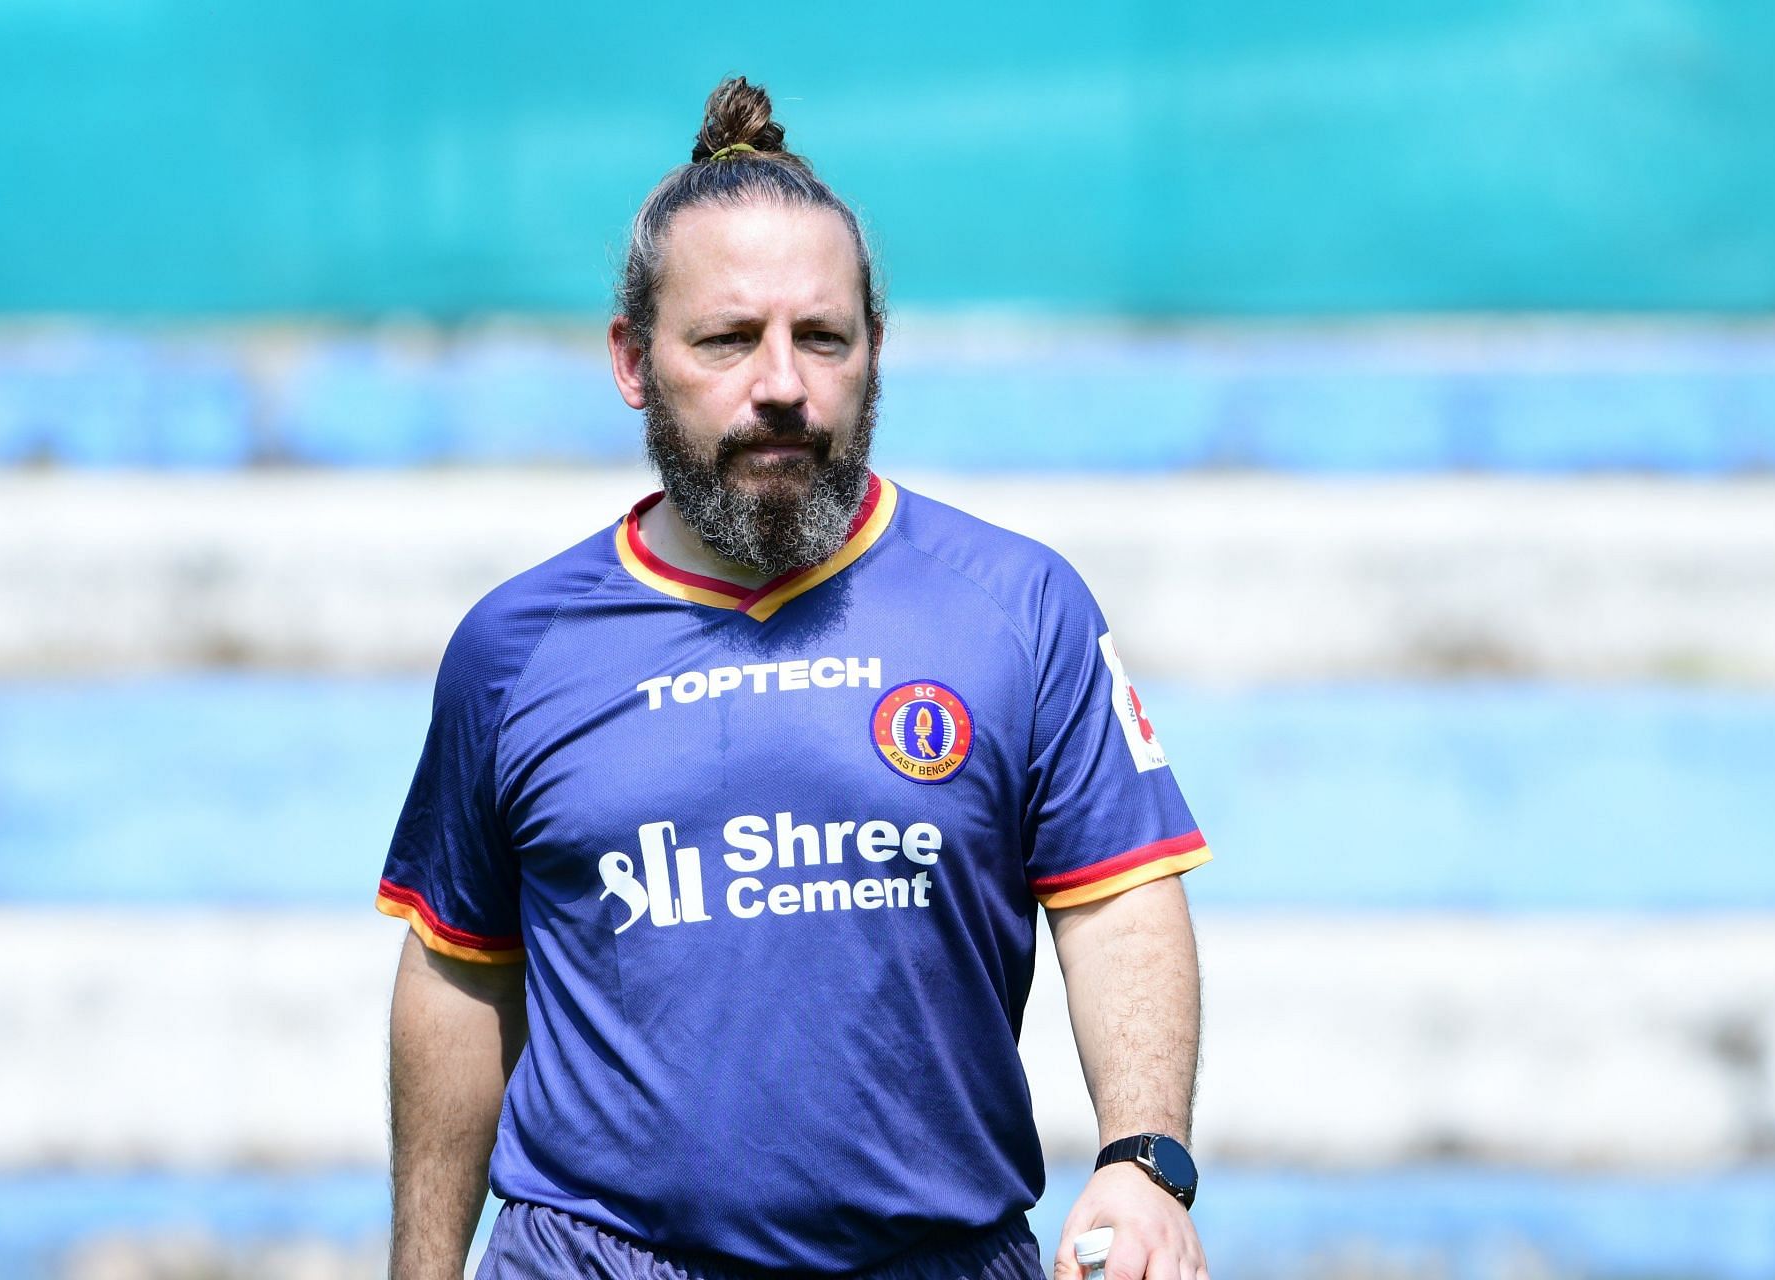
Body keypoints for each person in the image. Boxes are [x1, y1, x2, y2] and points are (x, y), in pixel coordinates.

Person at [379, 77, 1214, 1280]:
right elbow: (458, 971)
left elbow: (1117, 898)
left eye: (822, 336)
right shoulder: (514, 648)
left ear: (874, 350)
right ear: (631, 358)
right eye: (728, 338)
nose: (782, 383)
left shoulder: (1018, 606)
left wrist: (1144, 1158)